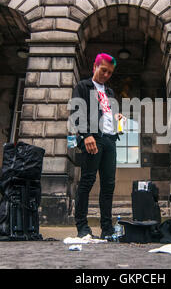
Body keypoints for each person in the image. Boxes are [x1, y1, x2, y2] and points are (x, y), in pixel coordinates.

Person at [71, 53, 123, 239]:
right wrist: (86, 135)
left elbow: (110, 114)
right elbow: (76, 111)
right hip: (93, 138)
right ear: (95, 66)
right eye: (104, 70)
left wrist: (117, 119)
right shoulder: (83, 86)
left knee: (108, 185)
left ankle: (107, 229)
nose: (106, 75)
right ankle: (82, 227)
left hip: (110, 140)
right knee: (87, 181)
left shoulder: (110, 93)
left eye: (110, 72)